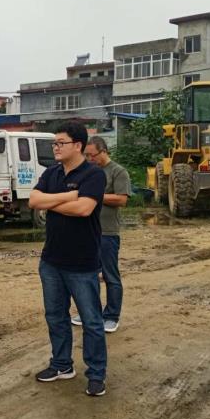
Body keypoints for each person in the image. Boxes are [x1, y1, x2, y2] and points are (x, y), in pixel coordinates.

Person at [28, 121, 108, 396]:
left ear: (78, 145)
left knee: (91, 321)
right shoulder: (52, 172)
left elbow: (84, 209)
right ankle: (62, 365)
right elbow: (33, 200)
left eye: (60, 143)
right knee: (55, 316)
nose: (56, 147)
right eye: (55, 143)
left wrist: (52, 202)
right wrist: (68, 196)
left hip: (82, 263)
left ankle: (96, 374)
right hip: (51, 260)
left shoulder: (93, 175)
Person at [72, 136, 131, 333]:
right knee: (88, 275)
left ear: (104, 151)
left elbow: (122, 200)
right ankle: (90, 312)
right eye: (86, 155)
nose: (89, 159)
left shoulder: (118, 172)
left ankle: (112, 316)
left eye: (93, 155)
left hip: (107, 232)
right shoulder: (87, 172)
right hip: (86, 232)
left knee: (110, 276)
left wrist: (95, 195)